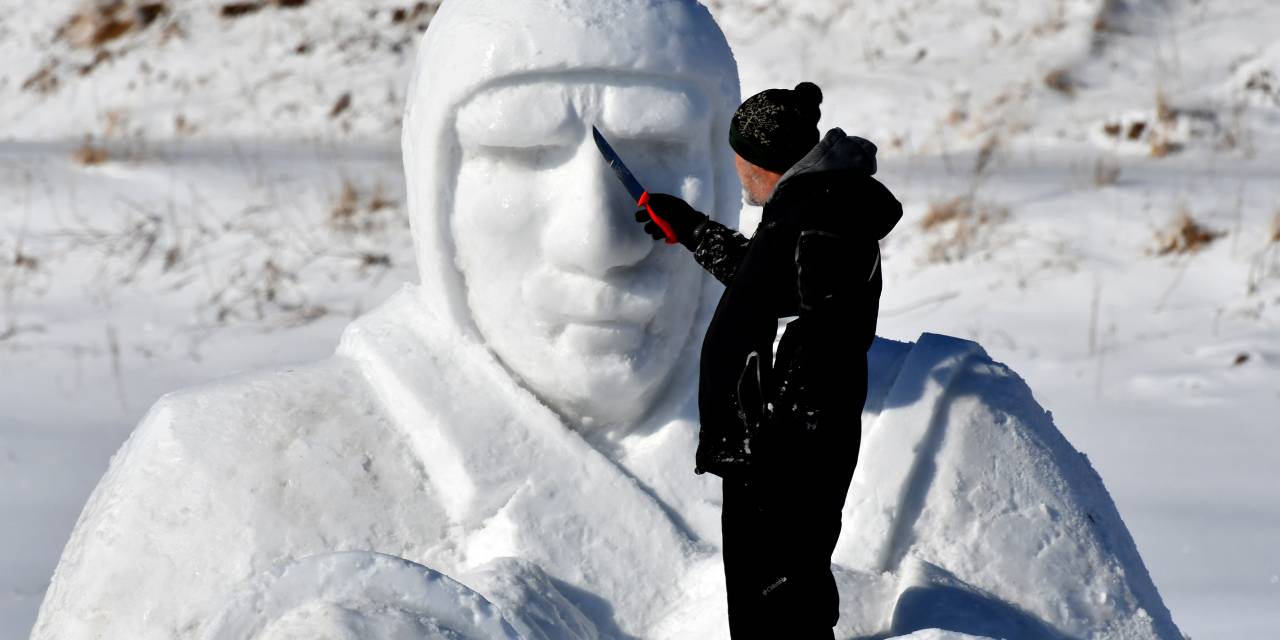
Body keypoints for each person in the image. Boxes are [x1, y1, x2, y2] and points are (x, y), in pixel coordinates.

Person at [635, 82, 904, 637]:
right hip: (784, 442)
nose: (735, 170)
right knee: (775, 600)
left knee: (779, 605)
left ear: (761, 161)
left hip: (788, 451)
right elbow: (771, 283)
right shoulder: (812, 206)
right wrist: (692, 230)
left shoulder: (821, 217)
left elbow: (826, 335)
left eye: (739, 159)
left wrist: (774, 432)